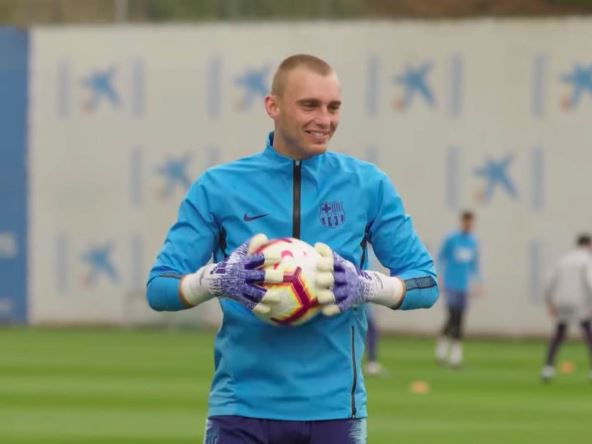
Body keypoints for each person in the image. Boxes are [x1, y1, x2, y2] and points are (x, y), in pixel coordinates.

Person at [147, 54, 438, 444]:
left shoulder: (368, 185)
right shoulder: (217, 187)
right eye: (310, 105)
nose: (325, 119)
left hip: (336, 412)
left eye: (333, 107)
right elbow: (159, 287)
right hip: (240, 410)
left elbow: (425, 283)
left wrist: (368, 287)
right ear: (273, 106)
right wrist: (214, 281)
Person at [540, 234, 592, 383]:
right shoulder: (587, 260)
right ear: (588, 244)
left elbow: (549, 281)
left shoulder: (563, 259)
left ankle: (548, 369)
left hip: (561, 301)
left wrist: (550, 302)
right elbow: (590, 282)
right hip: (580, 302)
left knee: (559, 333)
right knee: (588, 332)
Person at [435, 211, 481, 368]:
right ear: (462, 222)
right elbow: (440, 258)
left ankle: (455, 355)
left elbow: (474, 265)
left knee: (460, 319)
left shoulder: (473, 242)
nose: (468, 225)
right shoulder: (451, 239)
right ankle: (443, 348)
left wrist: (478, 283)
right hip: (450, 285)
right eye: (466, 221)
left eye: (471, 222)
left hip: (463, 286)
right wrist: (439, 277)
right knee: (453, 316)